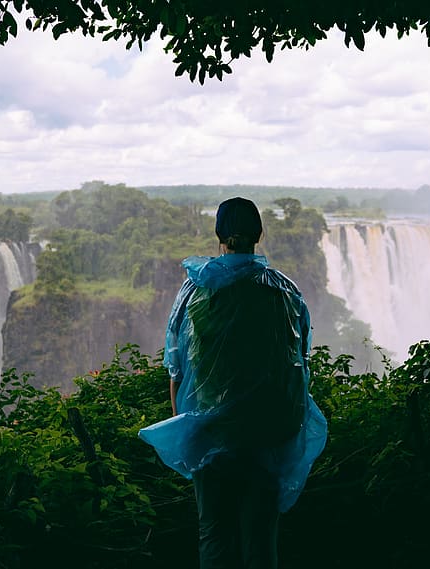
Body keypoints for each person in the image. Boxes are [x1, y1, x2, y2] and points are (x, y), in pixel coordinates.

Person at [139, 197, 327, 569]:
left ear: (218, 236)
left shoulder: (196, 291)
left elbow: (176, 367)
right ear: (259, 234)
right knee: (260, 538)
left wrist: (186, 430)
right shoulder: (283, 291)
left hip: (211, 434)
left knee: (215, 534)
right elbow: (299, 363)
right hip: (271, 432)